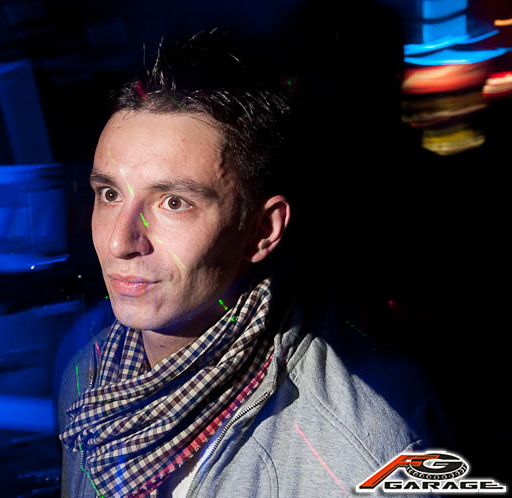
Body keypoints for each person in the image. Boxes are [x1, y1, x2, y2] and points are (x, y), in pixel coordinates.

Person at [57, 29, 438, 498]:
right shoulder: (88, 377)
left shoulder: (356, 460)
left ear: (261, 231)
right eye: (109, 194)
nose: (119, 241)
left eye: (174, 203)